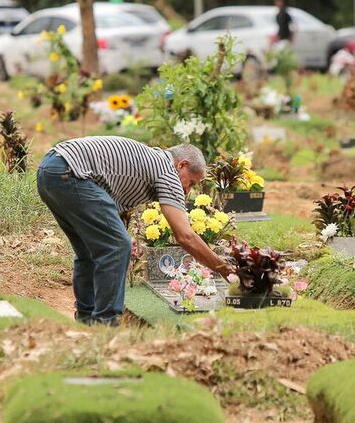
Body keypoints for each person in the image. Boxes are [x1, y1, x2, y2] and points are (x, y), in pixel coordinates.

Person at [36, 137, 233, 326]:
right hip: (71, 172)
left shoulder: (151, 160)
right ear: (181, 165)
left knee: (89, 251)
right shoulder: (168, 171)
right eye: (191, 183)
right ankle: (106, 323)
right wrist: (224, 268)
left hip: (50, 170)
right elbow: (185, 236)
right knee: (118, 245)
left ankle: (87, 320)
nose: (187, 191)